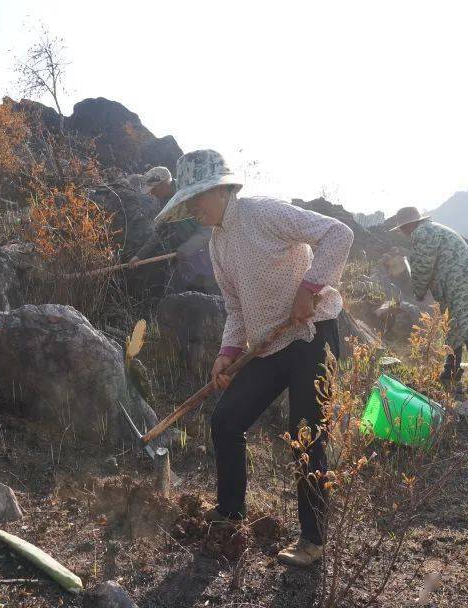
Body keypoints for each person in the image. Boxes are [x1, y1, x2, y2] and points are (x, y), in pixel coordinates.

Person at [154, 150, 353, 567]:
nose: (193, 208)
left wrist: (311, 287)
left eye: (197, 198)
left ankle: (312, 542)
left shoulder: (264, 213)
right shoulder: (217, 245)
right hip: (267, 345)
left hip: (312, 335)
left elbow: (339, 234)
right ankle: (229, 513)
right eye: (187, 201)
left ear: (223, 189)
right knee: (226, 421)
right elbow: (236, 308)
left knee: (308, 437)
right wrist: (227, 352)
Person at [388, 206, 468, 402]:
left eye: (402, 229)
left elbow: (423, 266)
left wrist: (418, 290)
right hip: (463, 281)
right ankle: (451, 371)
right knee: (454, 327)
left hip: (462, 283)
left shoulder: (422, 233)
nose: (402, 233)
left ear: (408, 226)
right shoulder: (432, 228)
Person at [130, 166, 218, 294]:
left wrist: (186, 249)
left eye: (153, 190)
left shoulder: (190, 192)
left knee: (215, 293)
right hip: (186, 256)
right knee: (176, 293)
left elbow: (208, 228)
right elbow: (160, 232)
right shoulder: (164, 203)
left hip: (211, 253)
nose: (151, 194)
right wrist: (139, 256)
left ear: (165, 184)